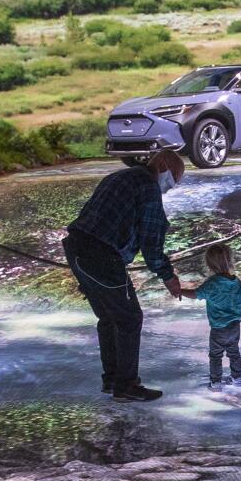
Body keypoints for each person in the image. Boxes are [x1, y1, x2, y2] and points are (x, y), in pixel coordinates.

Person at [62, 149, 187, 402]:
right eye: (173, 178)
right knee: (129, 319)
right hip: (101, 257)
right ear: (161, 163)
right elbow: (152, 241)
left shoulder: (120, 176)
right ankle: (126, 385)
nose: (170, 186)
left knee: (109, 317)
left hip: (77, 249)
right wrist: (168, 276)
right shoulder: (148, 187)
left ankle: (112, 380)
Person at [185, 241, 241, 385]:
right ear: (230, 261)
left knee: (215, 355)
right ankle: (237, 378)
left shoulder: (212, 283)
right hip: (234, 326)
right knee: (234, 353)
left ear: (210, 265)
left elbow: (196, 294)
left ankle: (215, 383)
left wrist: (179, 291)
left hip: (218, 328)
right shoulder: (236, 282)